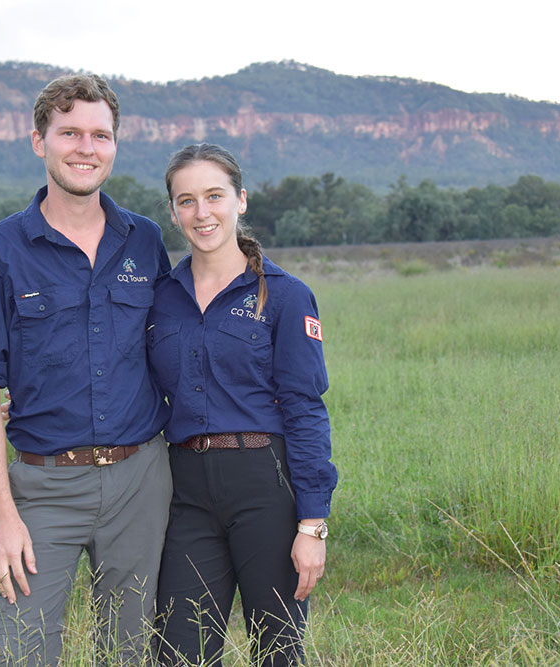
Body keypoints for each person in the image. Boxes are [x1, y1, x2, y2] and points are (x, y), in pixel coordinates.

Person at [0, 73, 173, 666]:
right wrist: (3, 516)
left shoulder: (145, 241)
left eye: (100, 135)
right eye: (69, 132)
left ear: (115, 145)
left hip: (140, 481)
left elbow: (177, 347)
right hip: (42, 487)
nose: (86, 147)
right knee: (21, 652)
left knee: (128, 653)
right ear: (39, 141)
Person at [147, 144, 337, 666]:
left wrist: (312, 524)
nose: (201, 213)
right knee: (179, 652)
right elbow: (125, 380)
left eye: (214, 196)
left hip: (264, 486)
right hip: (185, 490)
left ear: (241, 201)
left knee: (277, 651)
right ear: (173, 212)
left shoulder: (286, 295)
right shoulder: (159, 297)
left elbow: (304, 410)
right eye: (186, 201)